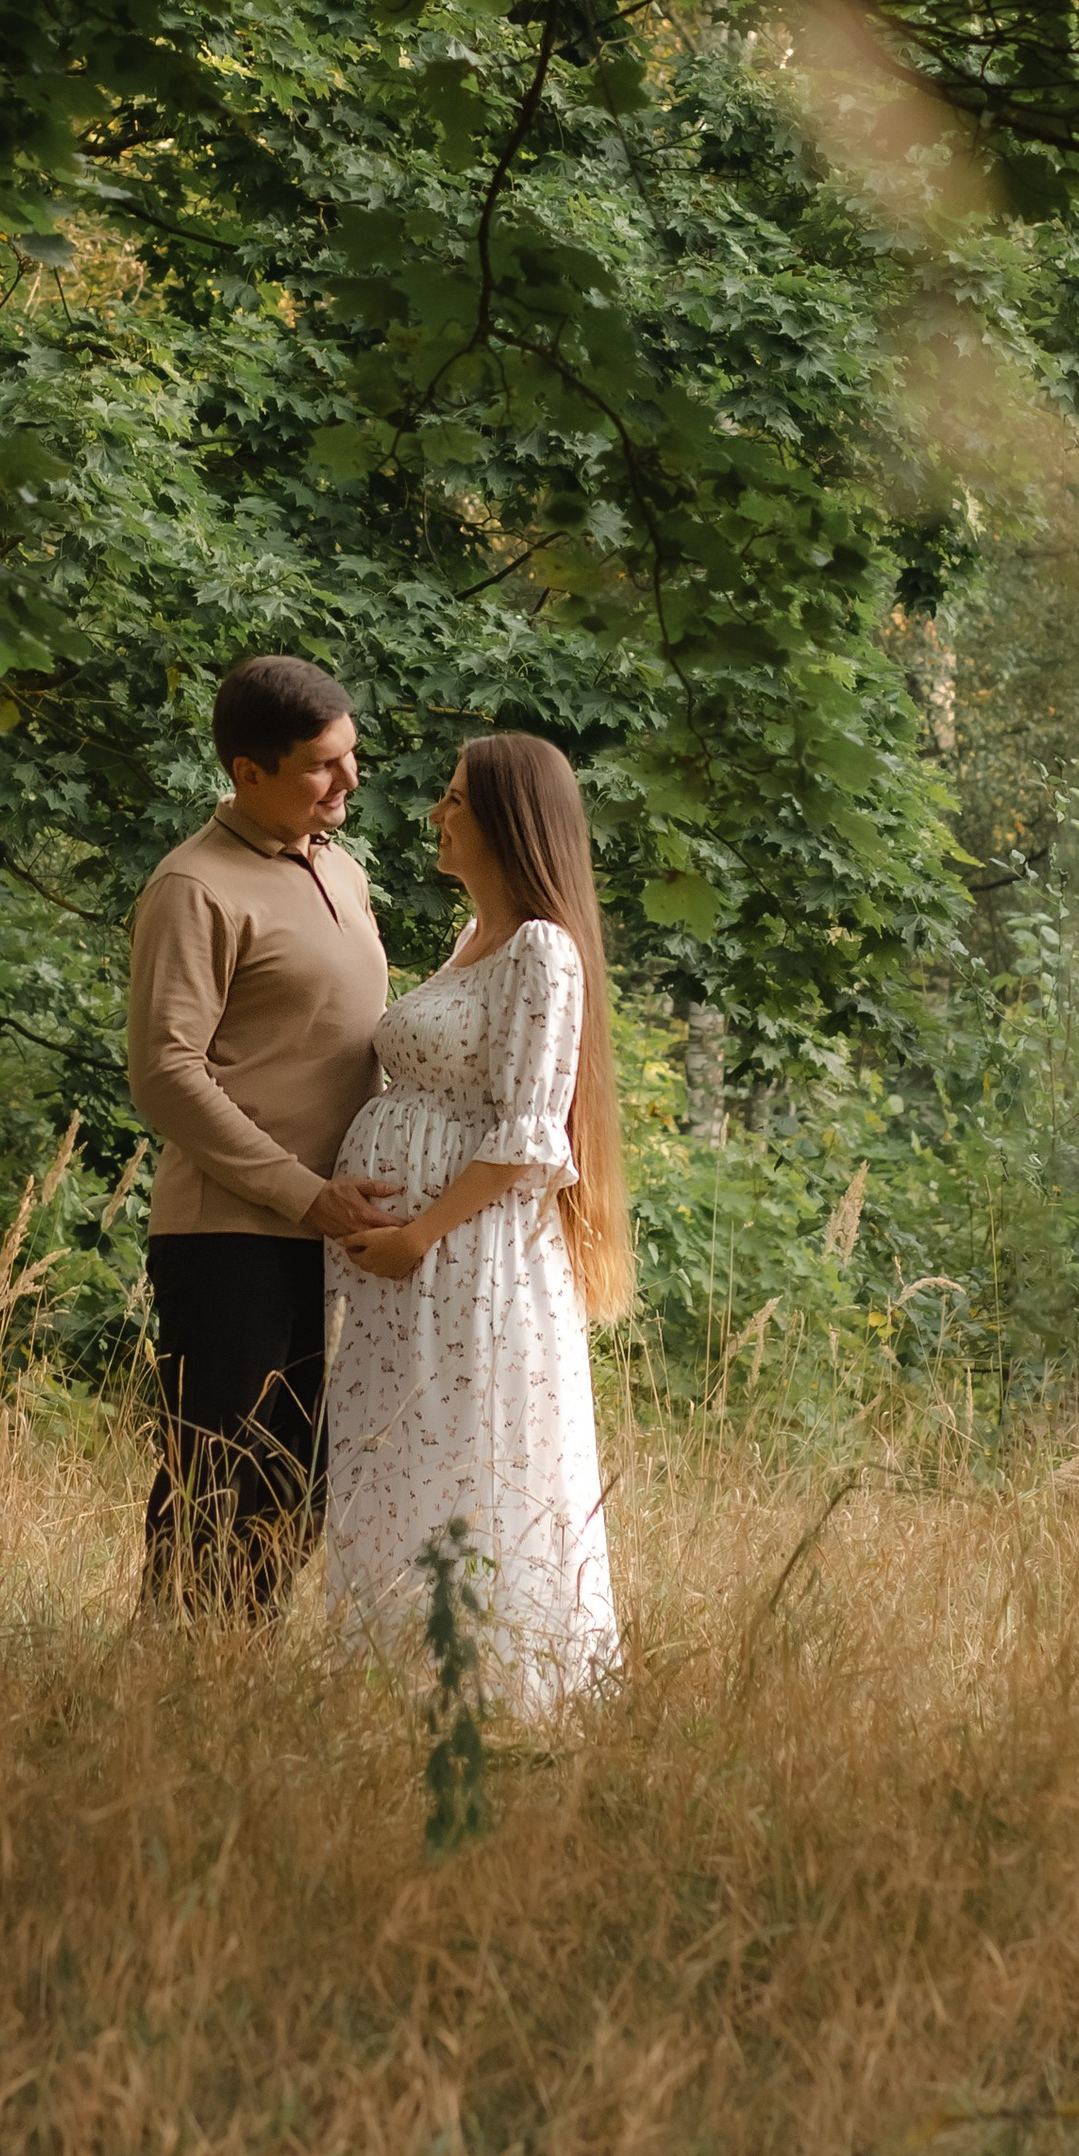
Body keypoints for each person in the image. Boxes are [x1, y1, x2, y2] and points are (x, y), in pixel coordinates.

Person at [324, 731, 630, 1713]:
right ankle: (394, 1675)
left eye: (455, 799)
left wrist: (419, 1232)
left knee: (464, 1453)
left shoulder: (542, 948)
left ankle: (486, 1693)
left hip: (468, 1260)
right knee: (401, 1456)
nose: (436, 814)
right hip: (414, 1267)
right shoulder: (473, 941)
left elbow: (528, 1135)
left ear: (504, 820)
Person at [126, 653, 400, 1611]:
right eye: (322, 764)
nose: (350, 779)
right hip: (228, 1232)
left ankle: (240, 1683)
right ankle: (175, 1687)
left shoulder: (343, 871)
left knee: (298, 1479)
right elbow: (165, 1073)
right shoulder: (194, 886)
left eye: (350, 755)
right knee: (214, 1476)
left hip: (330, 1237)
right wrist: (300, 1189)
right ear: (249, 773)